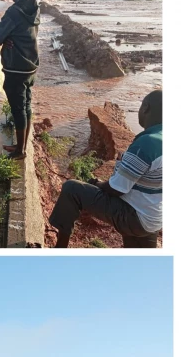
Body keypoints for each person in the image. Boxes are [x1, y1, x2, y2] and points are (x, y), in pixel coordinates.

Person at [49, 90, 162, 248]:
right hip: (155, 217)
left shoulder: (147, 144)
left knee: (71, 189)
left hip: (135, 217)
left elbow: (117, 189)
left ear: (146, 108)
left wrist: (97, 184)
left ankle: (59, 248)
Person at [0, 0, 40, 160]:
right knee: (26, 105)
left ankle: (21, 151)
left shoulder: (14, 12)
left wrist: (5, 36)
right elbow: (21, 32)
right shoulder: (34, 7)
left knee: (18, 109)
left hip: (16, 68)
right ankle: (22, 145)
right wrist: (10, 36)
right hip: (30, 66)